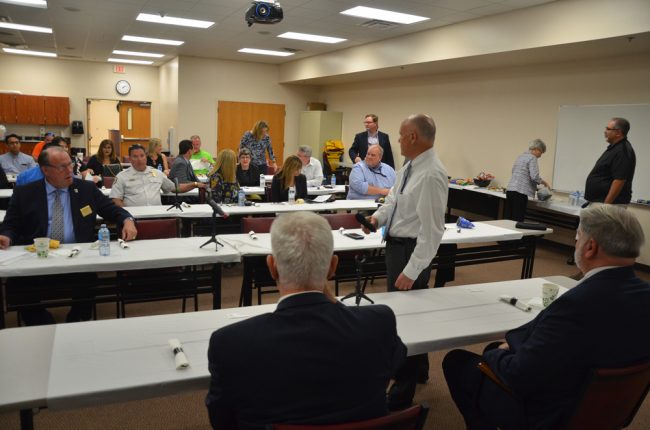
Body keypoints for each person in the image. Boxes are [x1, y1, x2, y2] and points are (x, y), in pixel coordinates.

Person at [443, 205, 650, 430]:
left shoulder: (576, 303)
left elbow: (518, 375)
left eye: (577, 238)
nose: (576, 244)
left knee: (457, 361)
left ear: (590, 247)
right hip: (606, 407)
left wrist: (492, 354)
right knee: (505, 346)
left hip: (552, 415)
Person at [206, 211, 407, 429]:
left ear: (272, 266)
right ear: (333, 266)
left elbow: (222, 420)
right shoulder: (379, 323)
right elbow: (397, 363)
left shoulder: (231, 343)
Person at [360, 114, 448, 410]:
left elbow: (433, 232)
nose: (396, 140)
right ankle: (420, 371)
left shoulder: (432, 174)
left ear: (413, 137)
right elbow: (393, 202)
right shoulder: (411, 167)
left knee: (405, 321)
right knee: (408, 315)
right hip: (396, 247)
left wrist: (413, 270)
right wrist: (376, 218)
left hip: (411, 253)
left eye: (400, 135)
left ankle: (402, 391)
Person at [0, 146, 137, 325]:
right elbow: (11, 223)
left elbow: (112, 210)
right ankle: (40, 321)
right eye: (62, 167)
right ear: (45, 170)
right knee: (17, 288)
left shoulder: (86, 189)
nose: (69, 171)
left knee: (89, 284)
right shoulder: (25, 193)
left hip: (77, 256)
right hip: (38, 256)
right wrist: (6, 236)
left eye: (70, 165)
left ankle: (77, 318)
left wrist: (127, 220)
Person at [110, 144, 199, 207]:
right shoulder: (122, 176)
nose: (139, 159)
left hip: (156, 214)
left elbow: (175, 188)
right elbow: (115, 199)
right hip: (134, 217)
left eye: (142, 156)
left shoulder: (157, 173)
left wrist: (195, 184)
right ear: (129, 159)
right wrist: (126, 213)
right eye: (135, 156)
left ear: (146, 156)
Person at [584, 117, 636, 205]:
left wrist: (605, 206)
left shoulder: (623, 151)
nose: (605, 131)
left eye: (608, 129)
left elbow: (619, 180)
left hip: (610, 205)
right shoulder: (615, 148)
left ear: (618, 133)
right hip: (601, 202)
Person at [505, 139, 551, 221]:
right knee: (517, 220)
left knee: (508, 219)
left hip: (510, 190)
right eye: (541, 152)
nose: (540, 155)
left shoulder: (521, 156)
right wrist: (545, 183)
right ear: (536, 149)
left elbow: (514, 171)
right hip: (520, 193)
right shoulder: (532, 158)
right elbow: (534, 177)